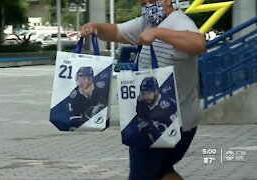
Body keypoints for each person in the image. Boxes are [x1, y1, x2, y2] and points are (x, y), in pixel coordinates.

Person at [80, 0, 206, 179]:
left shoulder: (180, 22)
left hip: (164, 121)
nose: (147, 5)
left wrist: (158, 33)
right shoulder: (146, 23)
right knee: (161, 171)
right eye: (143, 2)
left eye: (152, 1)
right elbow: (116, 31)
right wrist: (95, 27)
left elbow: (198, 43)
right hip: (164, 120)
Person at [136, 77, 177, 144]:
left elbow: (172, 135)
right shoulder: (141, 101)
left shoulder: (168, 106)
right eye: (143, 93)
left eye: (148, 93)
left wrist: (153, 128)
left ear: (156, 91)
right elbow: (141, 118)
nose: (145, 96)